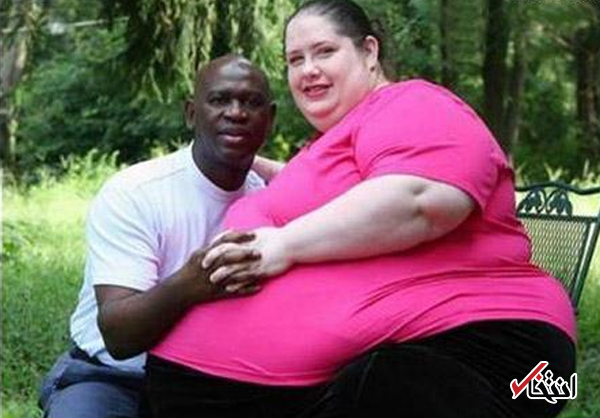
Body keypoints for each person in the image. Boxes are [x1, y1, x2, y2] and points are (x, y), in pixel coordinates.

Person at [145, 1, 577, 417]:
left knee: (386, 383)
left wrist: (283, 244)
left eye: (324, 51)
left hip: (508, 358)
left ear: (369, 52)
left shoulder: (414, 102)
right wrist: (251, 165)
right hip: (313, 384)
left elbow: (420, 201)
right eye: (295, 59)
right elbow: (335, 195)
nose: (307, 69)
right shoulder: (338, 138)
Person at [38, 54, 276, 418]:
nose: (236, 113)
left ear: (270, 119)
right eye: (219, 100)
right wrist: (189, 285)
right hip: (112, 376)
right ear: (191, 113)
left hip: (212, 381)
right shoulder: (136, 192)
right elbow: (119, 337)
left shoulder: (270, 200)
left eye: (251, 102)